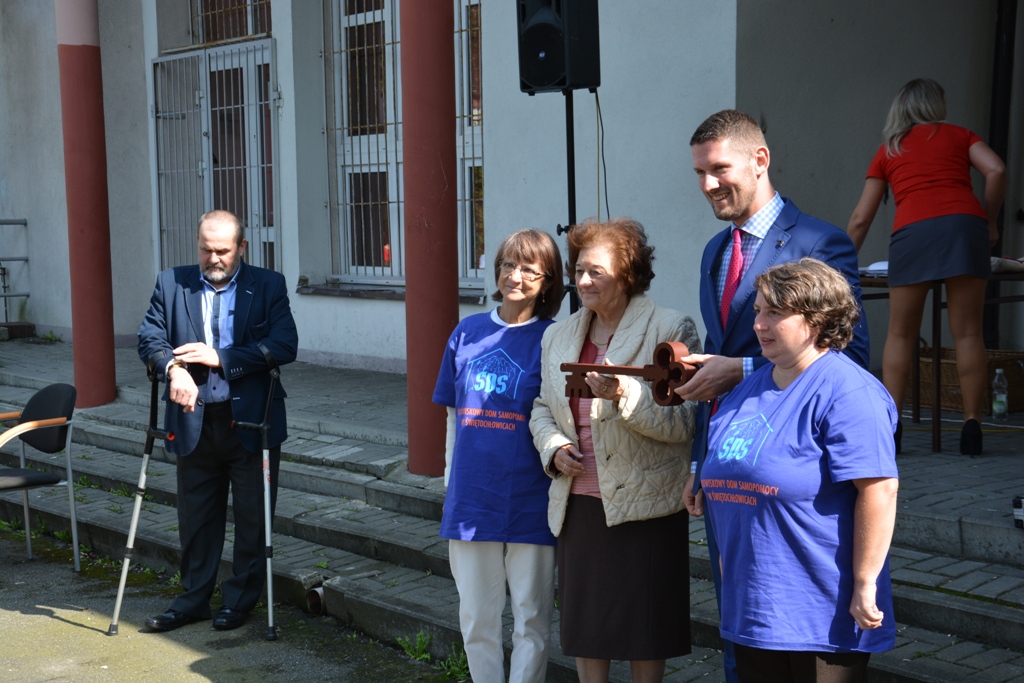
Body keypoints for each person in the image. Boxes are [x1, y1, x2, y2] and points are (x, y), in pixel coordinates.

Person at [675, 109, 870, 683]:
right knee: (738, 625)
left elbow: (849, 355)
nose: (708, 184)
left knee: (791, 638)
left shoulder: (819, 242)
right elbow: (717, 356)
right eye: (699, 173)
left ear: (760, 160)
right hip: (728, 466)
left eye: (719, 169)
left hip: (793, 478)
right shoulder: (715, 251)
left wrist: (740, 369)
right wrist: (701, 461)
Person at [701, 258, 899, 682]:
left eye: (775, 312)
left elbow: (879, 489)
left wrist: (865, 582)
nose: (759, 324)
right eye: (758, 310)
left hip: (821, 611)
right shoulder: (744, 391)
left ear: (817, 319)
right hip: (753, 608)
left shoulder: (848, 391)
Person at [530, 218, 699, 683]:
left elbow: (686, 422)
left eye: (596, 272)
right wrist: (554, 446)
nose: (583, 281)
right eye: (579, 270)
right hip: (580, 502)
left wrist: (625, 395)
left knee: (646, 628)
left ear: (627, 275)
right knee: (588, 627)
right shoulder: (558, 335)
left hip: (645, 504)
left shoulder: (670, 327)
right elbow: (542, 406)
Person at [137, 209, 298, 632]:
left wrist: (221, 358)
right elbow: (150, 338)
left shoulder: (269, 285)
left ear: (242, 247)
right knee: (196, 519)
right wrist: (172, 369)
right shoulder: (172, 283)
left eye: (223, 251)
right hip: (193, 419)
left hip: (250, 420)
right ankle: (193, 600)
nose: (214, 259)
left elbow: (284, 345)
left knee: (252, 519)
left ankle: (240, 601)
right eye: (206, 249)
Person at [432, 229, 565, 683]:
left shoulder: (554, 339)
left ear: (548, 282)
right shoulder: (467, 332)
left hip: (532, 495)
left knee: (533, 618)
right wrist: (451, 482)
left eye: (529, 269)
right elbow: (453, 416)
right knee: (476, 618)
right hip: (472, 495)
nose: (515, 276)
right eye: (509, 264)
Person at [847, 78, 1006, 456]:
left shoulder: (889, 149)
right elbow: (997, 170)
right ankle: (971, 426)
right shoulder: (961, 135)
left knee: (901, 334)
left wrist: (841, 262)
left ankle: (893, 427)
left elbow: (861, 218)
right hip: (965, 228)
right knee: (968, 333)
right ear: (936, 105)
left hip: (912, 233)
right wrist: (990, 221)